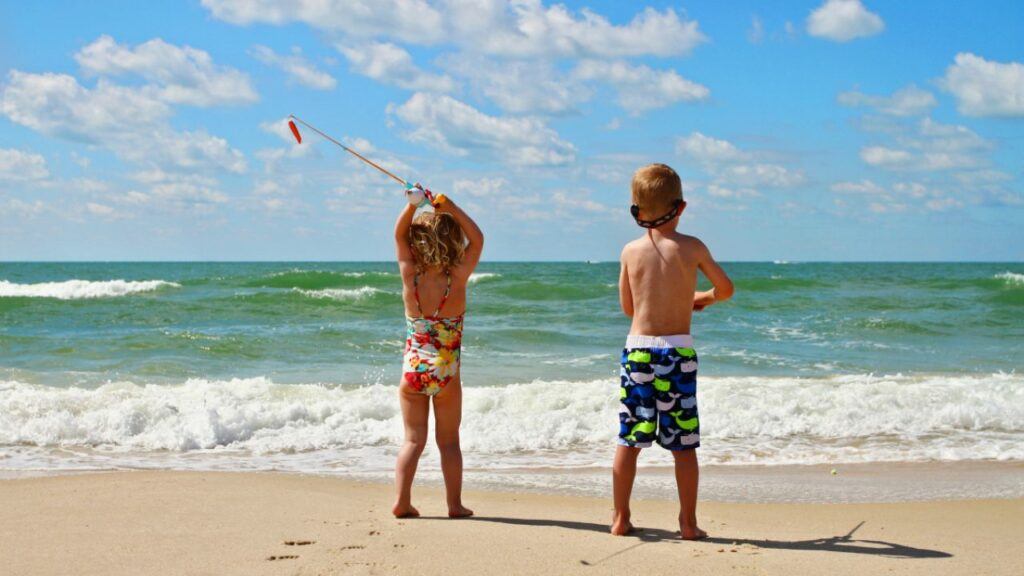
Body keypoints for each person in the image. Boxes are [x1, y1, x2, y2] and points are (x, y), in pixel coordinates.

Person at [612, 164, 734, 540]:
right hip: (676, 355)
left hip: (639, 353)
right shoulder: (692, 247)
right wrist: (702, 299)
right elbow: (726, 289)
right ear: (681, 207)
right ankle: (688, 522)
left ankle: (620, 518)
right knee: (683, 445)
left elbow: (630, 309)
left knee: (629, 440)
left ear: (636, 210)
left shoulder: (631, 252)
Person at [392, 185, 483, 519]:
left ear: (419, 241)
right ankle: (454, 505)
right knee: (449, 443)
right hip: (446, 374)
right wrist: (453, 207)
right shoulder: (455, 278)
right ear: (451, 240)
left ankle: (402, 500)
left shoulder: (409, 274)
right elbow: (478, 239)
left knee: (412, 441)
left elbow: (399, 234)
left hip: (412, 372)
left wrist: (413, 205)